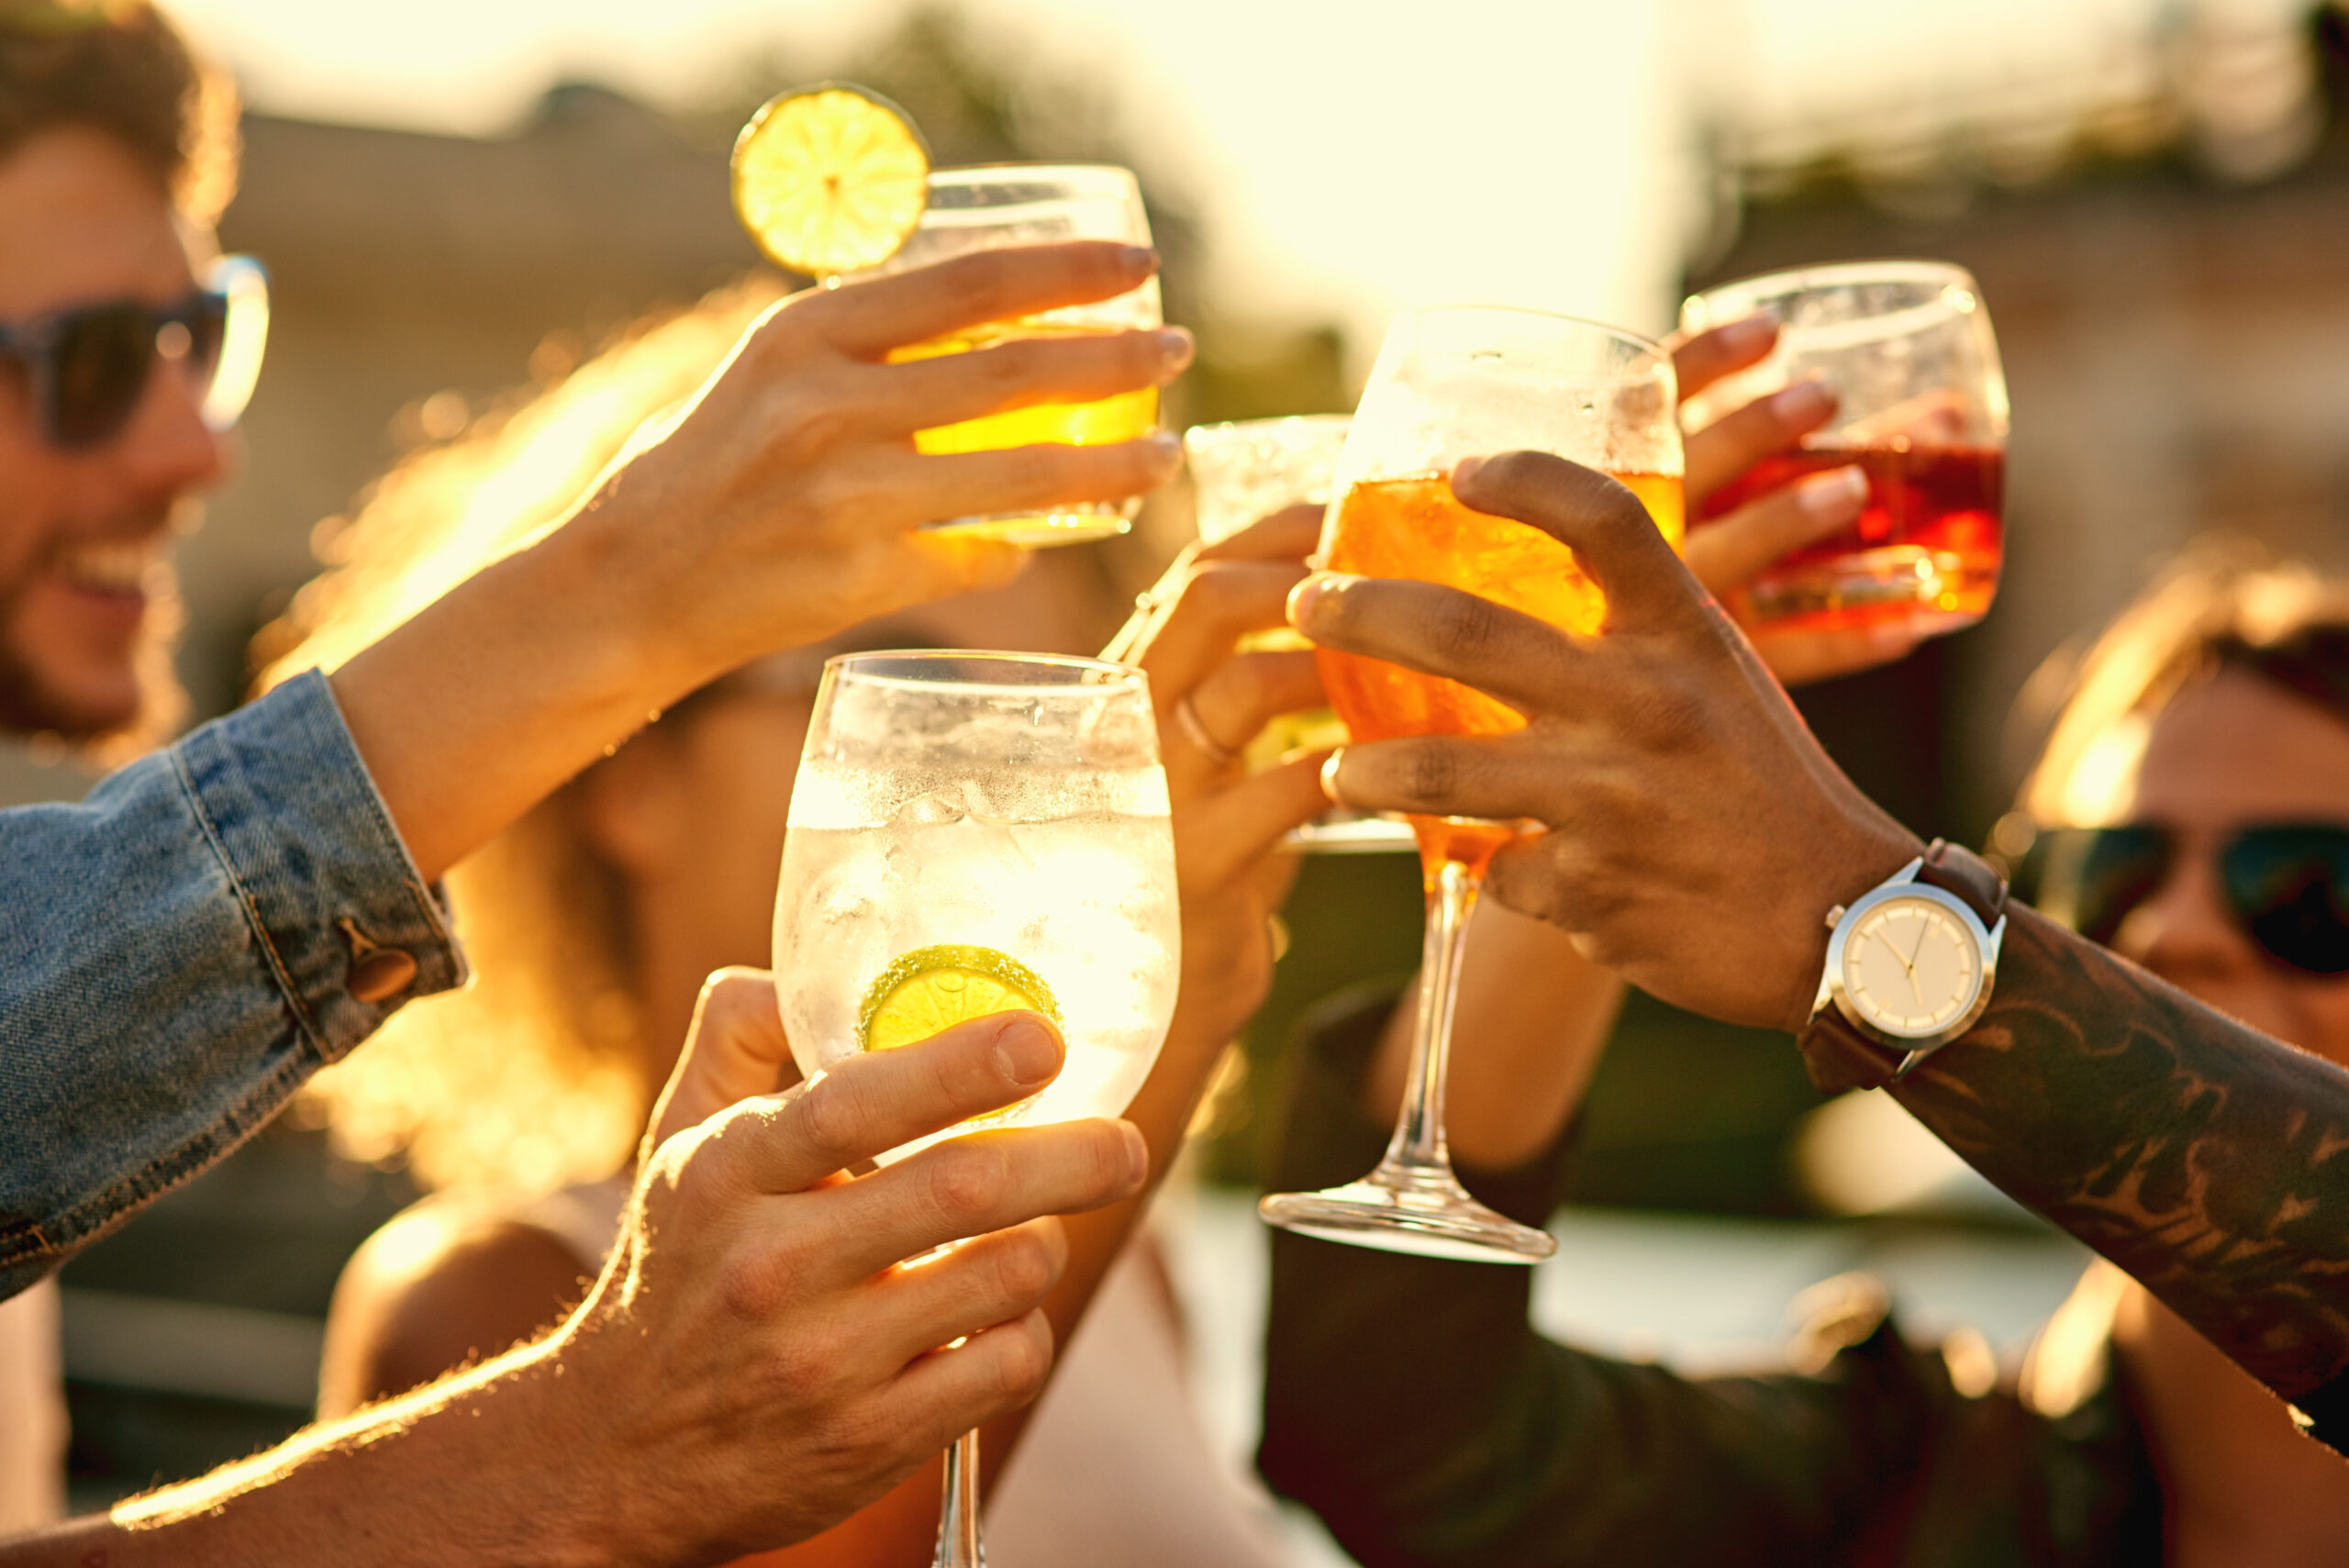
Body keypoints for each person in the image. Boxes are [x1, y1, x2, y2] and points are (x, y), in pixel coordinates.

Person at [1, 2, 1180, 1558]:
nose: (195, 447)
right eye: (86, 361)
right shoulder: (489, 1272)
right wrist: (627, 586)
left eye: (204, 337)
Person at [239, 280, 1316, 1567]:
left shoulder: (1123, 1276)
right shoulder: (494, 1298)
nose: (989, 799)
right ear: (627, 769)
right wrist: (1176, 1027)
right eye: (915, 694)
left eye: (1049, 733)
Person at [1262, 551, 2349, 1564]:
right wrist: (1617, 759)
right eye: (2110, 874)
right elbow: (1405, 1439)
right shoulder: (1897, 1482)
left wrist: (1876, 932)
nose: (2171, 931)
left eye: (2307, 888)